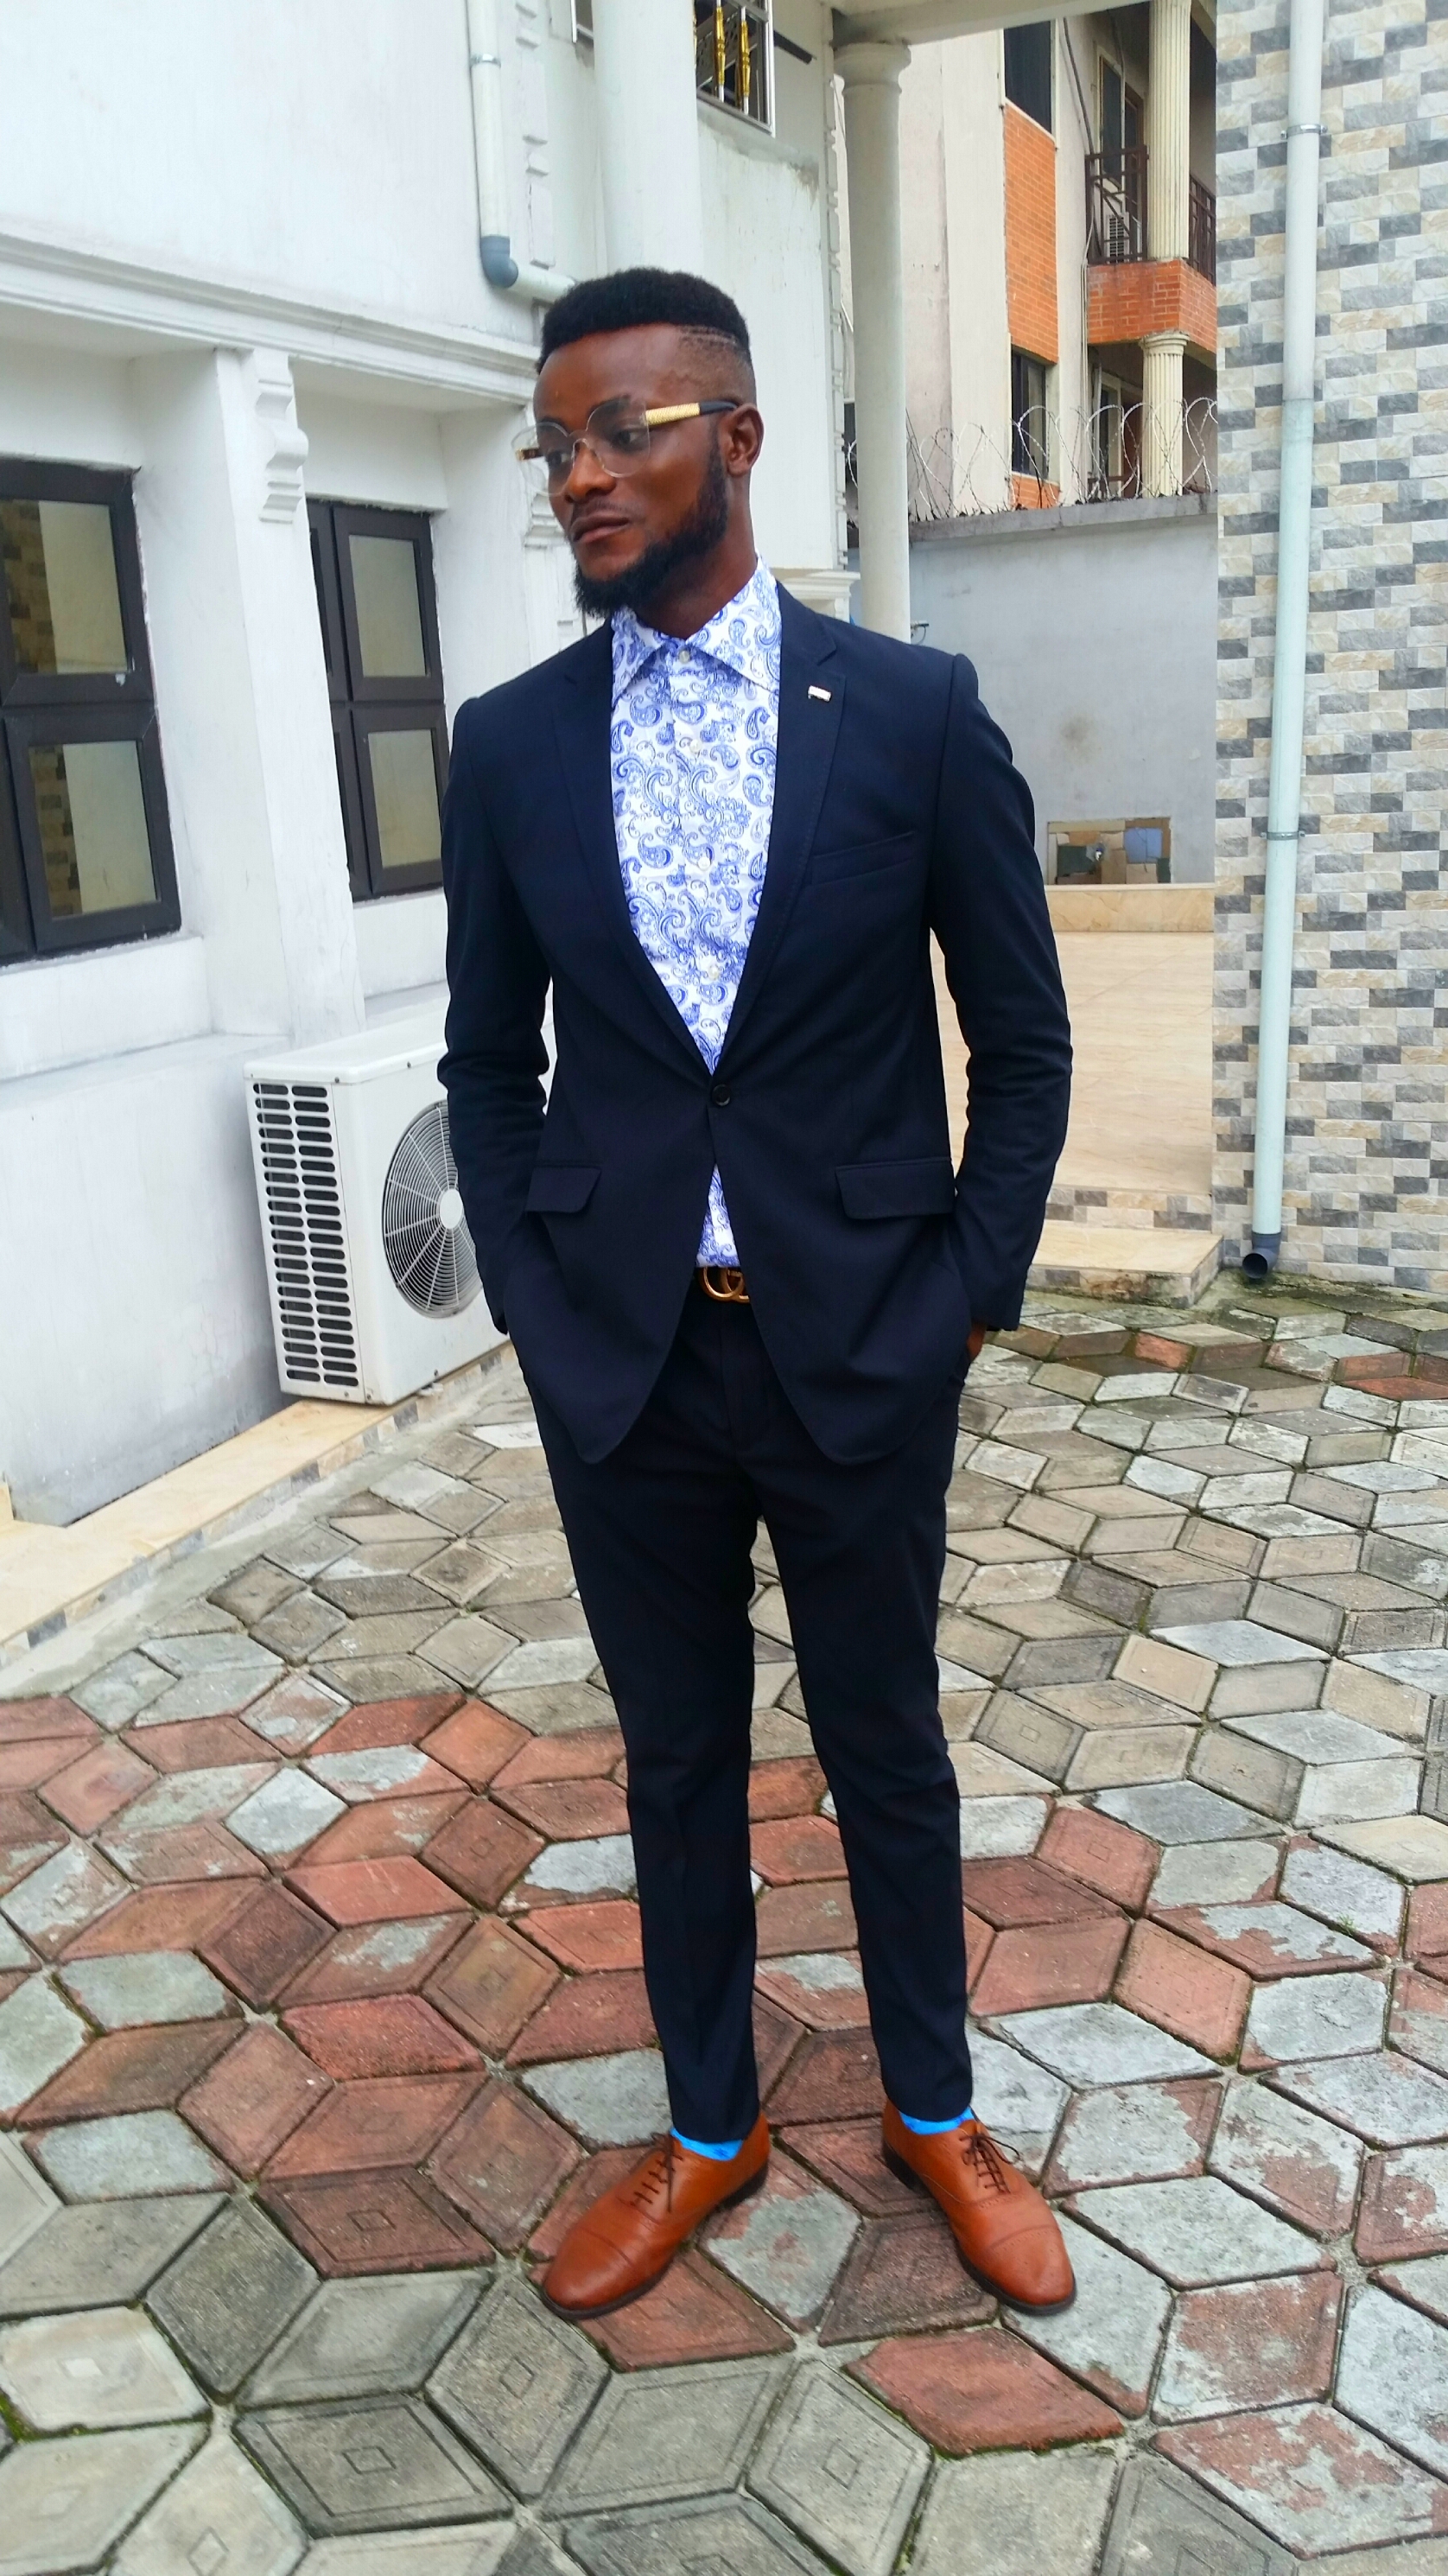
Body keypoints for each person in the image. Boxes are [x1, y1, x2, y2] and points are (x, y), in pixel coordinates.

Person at [441, 267, 1074, 2321]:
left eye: (620, 432)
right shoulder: (512, 745)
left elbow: (1020, 1038)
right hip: (623, 1358)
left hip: (863, 1337)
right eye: (553, 444)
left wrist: (966, 1288)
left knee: (885, 1742)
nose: (579, 476)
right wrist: (535, 1296)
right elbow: (485, 1063)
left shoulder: (910, 710)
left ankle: (932, 2110)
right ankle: (708, 2129)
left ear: (735, 439)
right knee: (675, 1758)